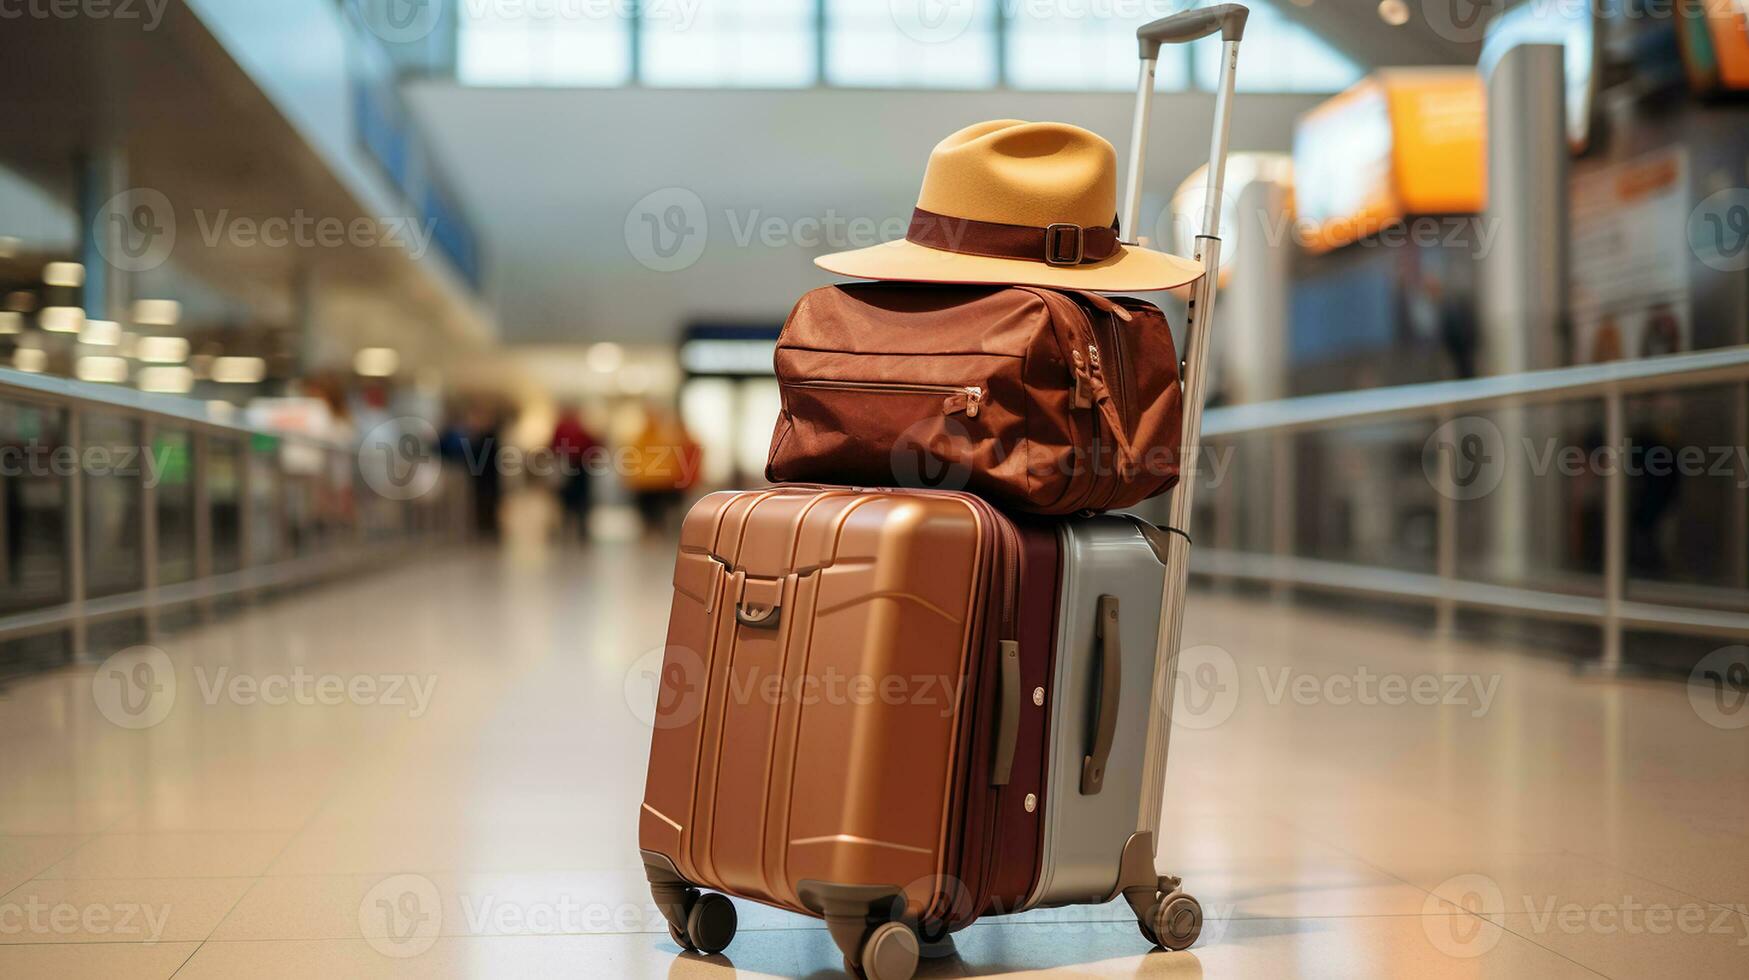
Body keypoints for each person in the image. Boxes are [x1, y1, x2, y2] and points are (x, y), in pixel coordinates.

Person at [623, 406, 701, 537]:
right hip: (657, 482)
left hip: (647, 482)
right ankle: (656, 529)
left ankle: (651, 530)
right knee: (657, 509)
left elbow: (631, 458)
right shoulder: (663, 438)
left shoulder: (643, 438)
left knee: (648, 510)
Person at [549, 403, 601, 541]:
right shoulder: (578, 429)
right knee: (578, 500)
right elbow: (593, 446)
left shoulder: (562, 428)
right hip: (577, 468)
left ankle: (569, 527)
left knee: (568, 501)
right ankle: (579, 528)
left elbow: (553, 447)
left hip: (571, 467)